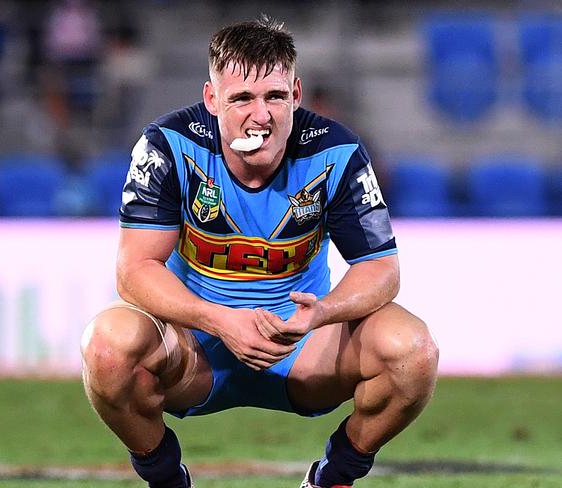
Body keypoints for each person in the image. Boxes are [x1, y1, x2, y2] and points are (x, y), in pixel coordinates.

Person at [81, 16, 439, 488]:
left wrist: (322, 313)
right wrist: (220, 320)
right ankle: (167, 479)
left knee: (413, 352)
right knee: (107, 348)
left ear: (296, 94)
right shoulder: (167, 146)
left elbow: (381, 269)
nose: (261, 116)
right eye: (241, 98)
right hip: (194, 350)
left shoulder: (336, 151)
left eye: (274, 96)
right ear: (213, 100)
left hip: (303, 349)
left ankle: (335, 477)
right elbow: (134, 270)